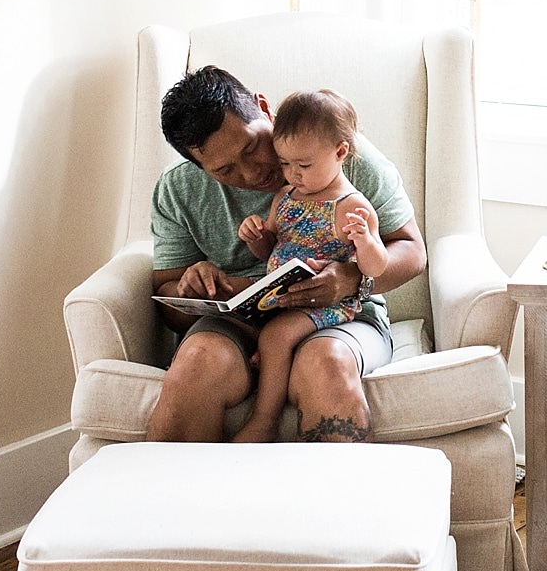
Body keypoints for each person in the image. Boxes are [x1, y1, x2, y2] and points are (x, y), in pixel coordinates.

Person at [149, 65, 425, 443]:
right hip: (239, 325)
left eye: (251, 147)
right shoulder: (178, 189)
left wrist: (351, 279)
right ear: (199, 168)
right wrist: (190, 288)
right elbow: (166, 300)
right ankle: (177, 500)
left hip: (339, 317)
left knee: (325, 364)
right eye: (225, 169)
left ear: (263, 108)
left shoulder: (339, 154)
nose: (251, 173)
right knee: (198, 362)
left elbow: (412, 250)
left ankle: (335, 501)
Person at [228, 89, 388, 443]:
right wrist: (257, 238)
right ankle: (271, 361)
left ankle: (263, 420)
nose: (292, 174)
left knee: (276, 335)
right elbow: (272, 247)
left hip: (330, 304)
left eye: (304, 165)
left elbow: (376, 267)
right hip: (282, 297)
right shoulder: (284, 197)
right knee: (251, 326)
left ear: (340, 152)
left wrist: (365, 242)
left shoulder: (351, 207)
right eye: (285, 164)